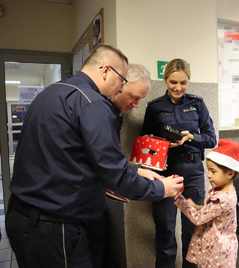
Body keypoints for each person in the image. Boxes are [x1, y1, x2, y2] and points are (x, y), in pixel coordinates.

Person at [5, 45, 184, 268]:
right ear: (105, 70)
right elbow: (113, 173)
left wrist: (136, 170)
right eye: (121, 81)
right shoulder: (93, 103)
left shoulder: (52, 92)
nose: (120, 87)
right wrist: (162, 189)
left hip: (23, 218)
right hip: (55, 225)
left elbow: (73, 156)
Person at [142, 58, 217, 268]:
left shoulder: (197, 104)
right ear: (166, 80)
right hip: (164, 173)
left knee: (192, 229)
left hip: (192, 172)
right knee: (165, 229)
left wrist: (193, 137)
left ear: (188, 81)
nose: (178, 87)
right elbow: (145, 144)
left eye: (183, 82)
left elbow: (212, 139)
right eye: (173, 82)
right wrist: (164, 145)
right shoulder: (155, 107)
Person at [175, 139, 239, 268]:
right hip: (222, 247)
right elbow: (212, 212)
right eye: (208, 170)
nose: (209, 175)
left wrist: (179, 199)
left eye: (213, 171)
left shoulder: (221, 199)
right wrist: (197, 206)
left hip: (216, 251)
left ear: (230, 173)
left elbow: (198, 219)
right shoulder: (227, 190)